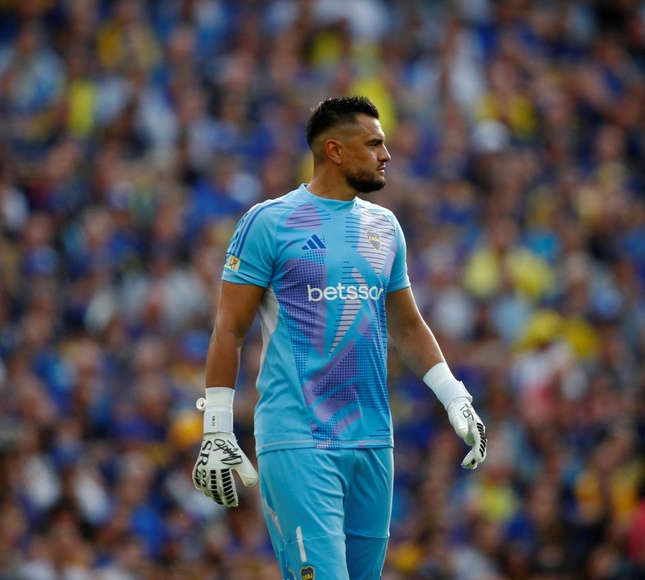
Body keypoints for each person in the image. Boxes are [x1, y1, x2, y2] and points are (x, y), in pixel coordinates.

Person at [190, 95, 487, 579]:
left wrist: (455, 396)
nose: (386, 154)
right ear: (335, 151)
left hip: (373, 438)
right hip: (297, 436)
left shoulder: (385, 226)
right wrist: (217, 427)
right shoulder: (269, 222)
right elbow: (229, 328)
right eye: (374, 144)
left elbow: (407, 324)